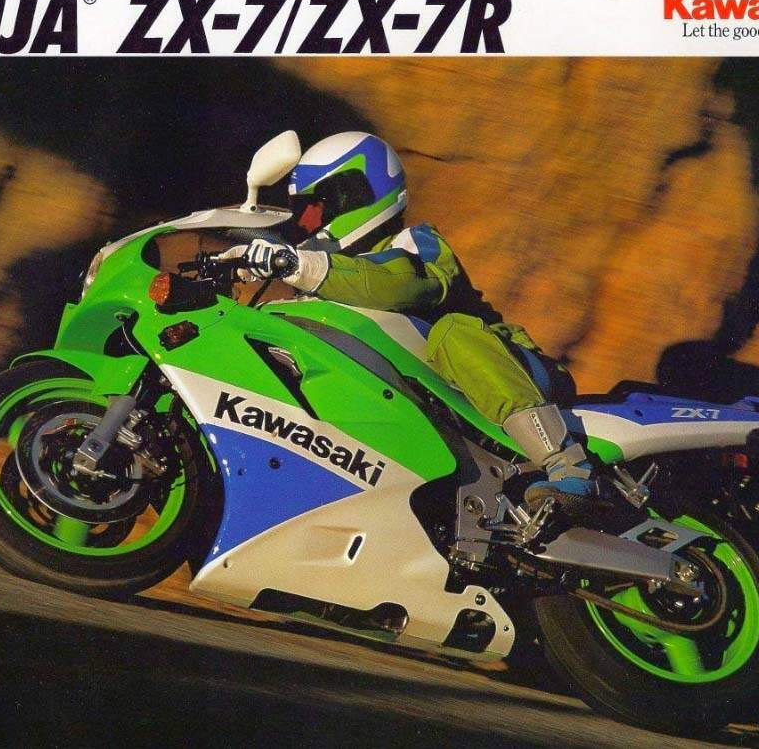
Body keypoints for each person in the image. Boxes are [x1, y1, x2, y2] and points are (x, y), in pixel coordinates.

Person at [222, 132, 594, 512]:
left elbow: (402, 282)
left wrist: (298, 265)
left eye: (315, 208)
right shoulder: (326, 286)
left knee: (452, 333)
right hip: (442, 411)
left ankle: (568, 464)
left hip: (520, 369)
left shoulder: (415, 243)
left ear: (355, 195)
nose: (306, 223)